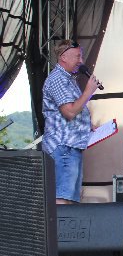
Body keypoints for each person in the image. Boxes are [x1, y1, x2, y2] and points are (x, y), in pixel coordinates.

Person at [41, 39, 101, 204]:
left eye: (81, 56)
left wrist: (86, 124)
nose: (81, 61)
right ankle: (60, 223)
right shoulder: (58, 79)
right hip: (63, 147)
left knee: (71, 200)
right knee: (62, 198)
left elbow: (73, 110)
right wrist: (88, 91)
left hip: (71, 147)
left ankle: (65, 222)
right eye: (77, 56)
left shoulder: (69, 79)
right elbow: (69, 112)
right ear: (63, 57)